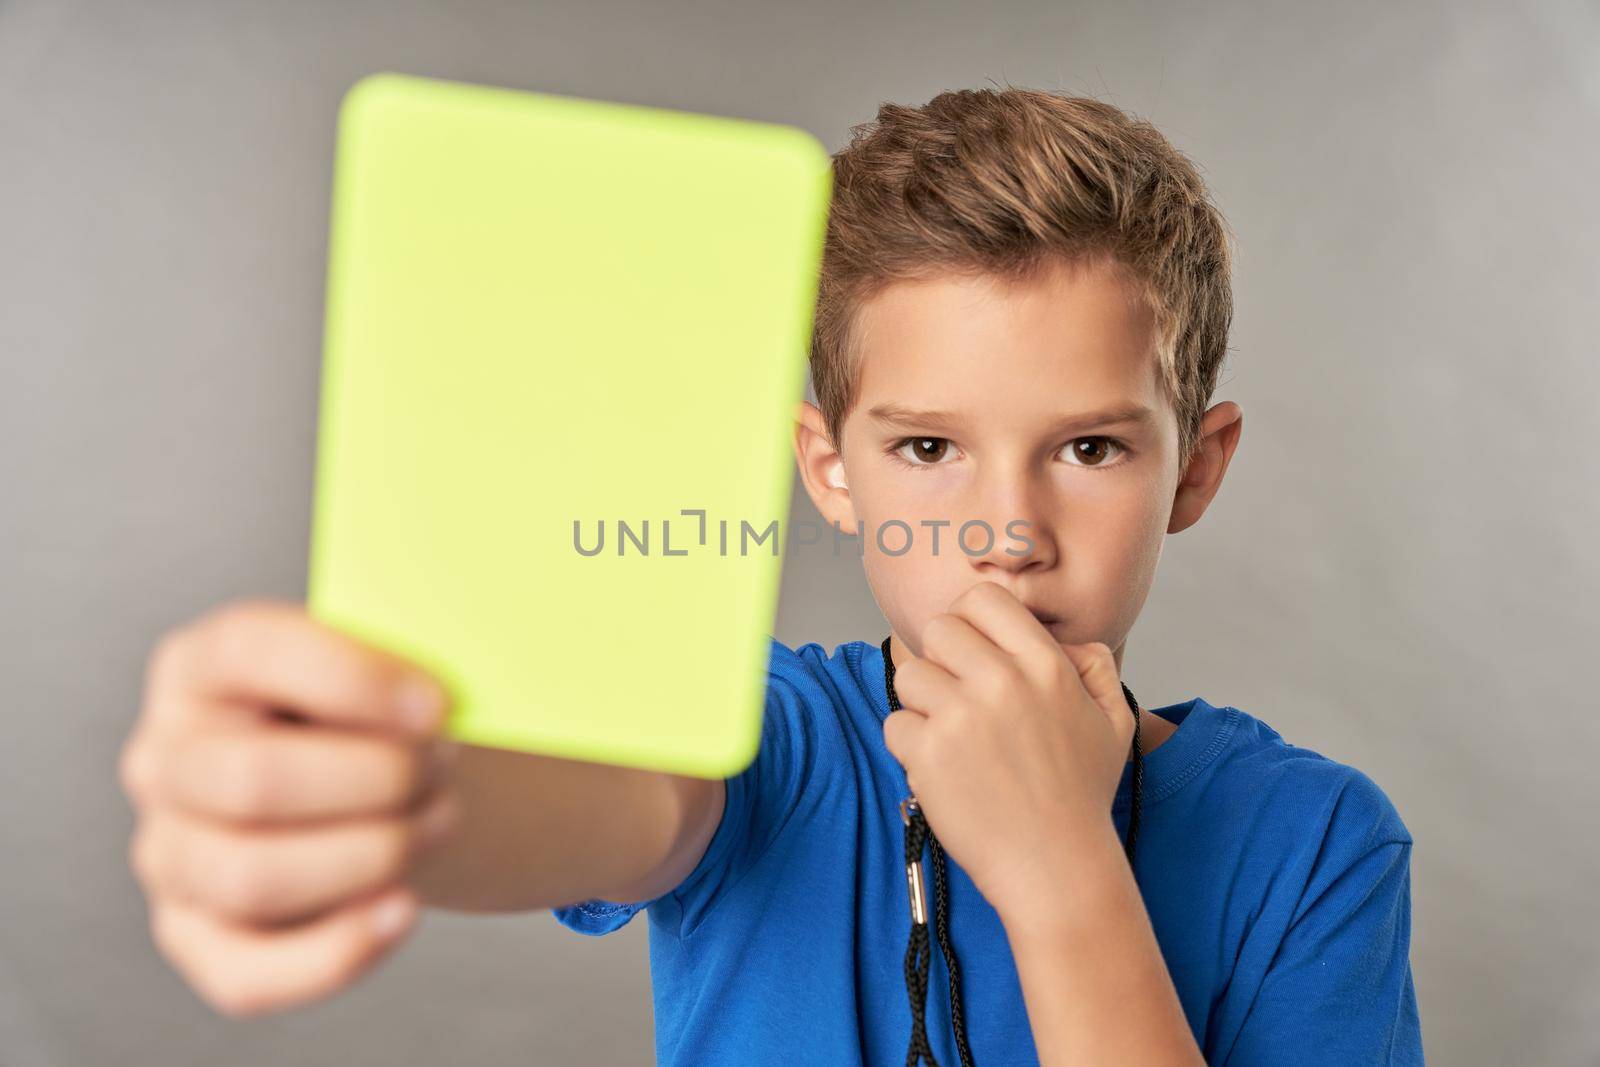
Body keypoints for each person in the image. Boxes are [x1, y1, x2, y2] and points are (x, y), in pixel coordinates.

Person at [119, 87, 1424, 1065]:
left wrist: (1061, 864)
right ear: (832, 469)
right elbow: (613, 800)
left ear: (1194, 471)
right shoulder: (771, 743)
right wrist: (387, 788)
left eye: (1088, 447)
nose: (1005, 531)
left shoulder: (1318, 846)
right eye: (927, 447)